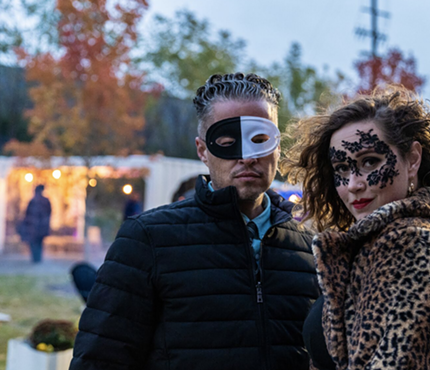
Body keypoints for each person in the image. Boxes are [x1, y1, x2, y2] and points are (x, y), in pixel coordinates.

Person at [70, 73, 319, 370]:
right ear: (203, 150)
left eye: (260, 139)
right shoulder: (147, 240)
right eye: (227, 141)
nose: (247, 157)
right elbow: (100, 360)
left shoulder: (311, 247)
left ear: (278, 146)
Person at [283, 86, 430, 369]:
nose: (354, 184)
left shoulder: (416, 244)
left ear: (413, 159)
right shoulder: (379, 240)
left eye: (370, 162)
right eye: (342, 169)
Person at [18, 184, 51, 263]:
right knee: (36, 243)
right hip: (37, 227)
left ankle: (37, 258)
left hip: (36, 227)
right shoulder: (38, 201)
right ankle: (37, 258)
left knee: (36, 242)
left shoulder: (37, 201)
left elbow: (47, 213)